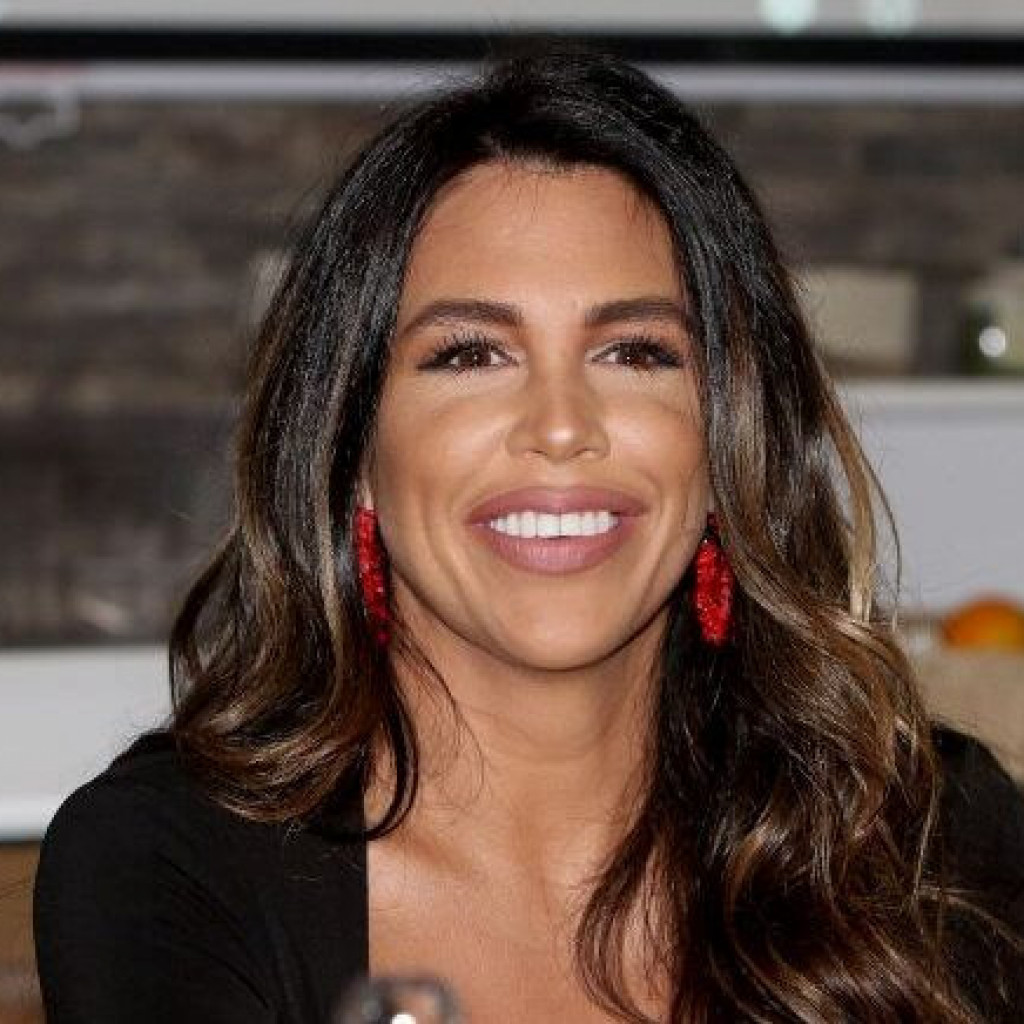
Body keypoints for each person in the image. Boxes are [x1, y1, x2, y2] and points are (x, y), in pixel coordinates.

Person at [33, 45, 1024, 1023]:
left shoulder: (934, 843)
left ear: (730, 443)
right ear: (354, 451)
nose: (559, 425)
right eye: (470, 354)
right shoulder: (172, 867)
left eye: (635, 352)